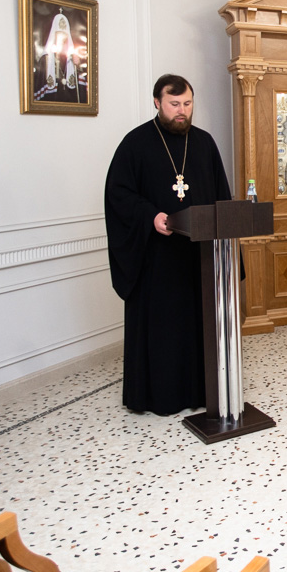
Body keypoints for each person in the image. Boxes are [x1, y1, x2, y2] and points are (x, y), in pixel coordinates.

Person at [104, 74, 234, 415]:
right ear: (157, 103)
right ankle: (158, 396)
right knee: (163, 329)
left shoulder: (204, 143)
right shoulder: (135, 143)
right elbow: (118, 194)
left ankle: (201, 393)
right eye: (174, 104)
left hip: (198, 257)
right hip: (155, 258)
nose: (182, 111)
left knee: (198, 325)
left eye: (187, 104)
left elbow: (222, 195)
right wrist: (151, 215)